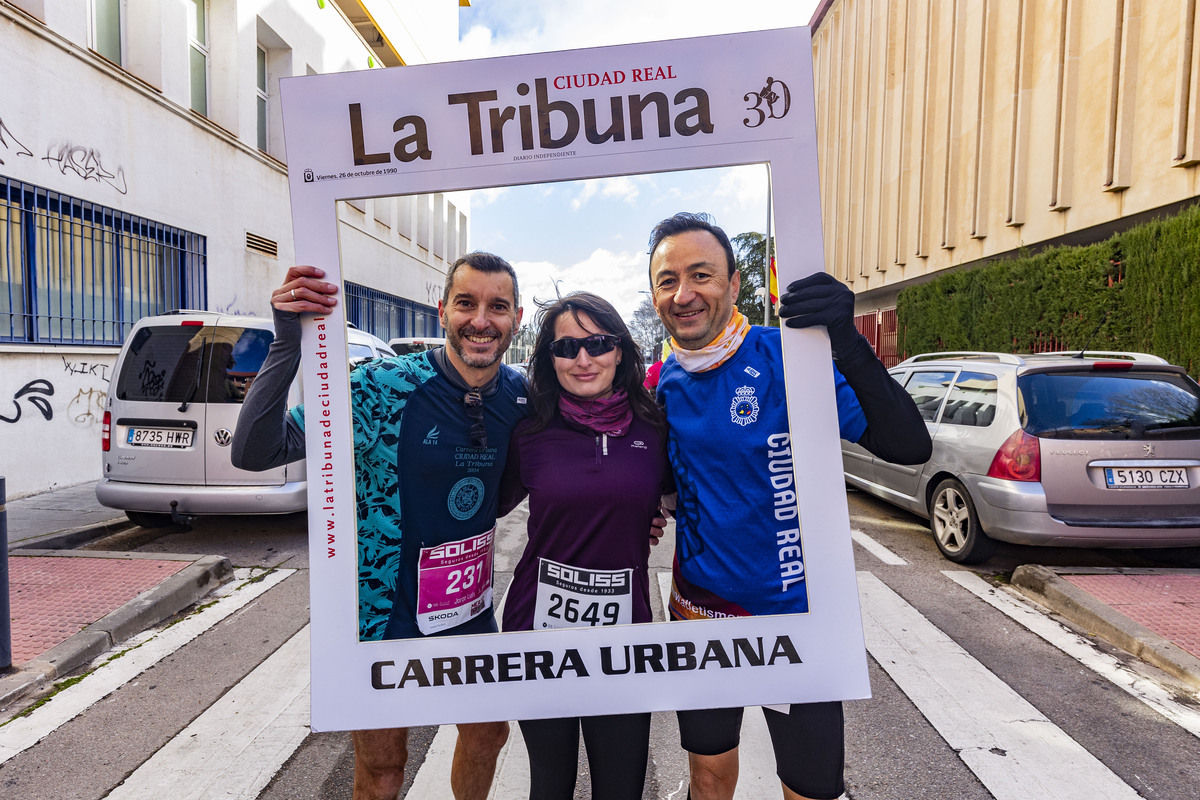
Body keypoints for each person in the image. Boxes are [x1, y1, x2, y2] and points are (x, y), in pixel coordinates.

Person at [647, 212, 931, 800]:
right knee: (708, 776)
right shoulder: (662, 382)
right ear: (654, 295)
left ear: (734, 284)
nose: (685, 293)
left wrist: (847, 341)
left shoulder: (787, 355)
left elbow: (909, 445)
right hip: (702, 614)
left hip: (798, 618)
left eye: (701, 275)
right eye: (667, 280)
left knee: (809, 788)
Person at [230, 253, 527, 800]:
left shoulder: (521, 396)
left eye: (497, 307)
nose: (481, 319)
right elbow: (253, 451)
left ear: (517, 318)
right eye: (466, 303)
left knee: (488, 735)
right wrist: (286, 341)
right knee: (385, 768)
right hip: (385, 614)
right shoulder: (380, 386)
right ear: (442, 311)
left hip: (469, 610)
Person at [497, 292, 672, 799]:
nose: (583, 358)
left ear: (620, 351)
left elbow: (696, 493)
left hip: (625, 636)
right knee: (548, 787)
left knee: (620, 788)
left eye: (597, 343)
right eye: (566, 347)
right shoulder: (529, 430)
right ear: (549, 359)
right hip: (538, 630)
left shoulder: (655, 426)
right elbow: (482, 506)